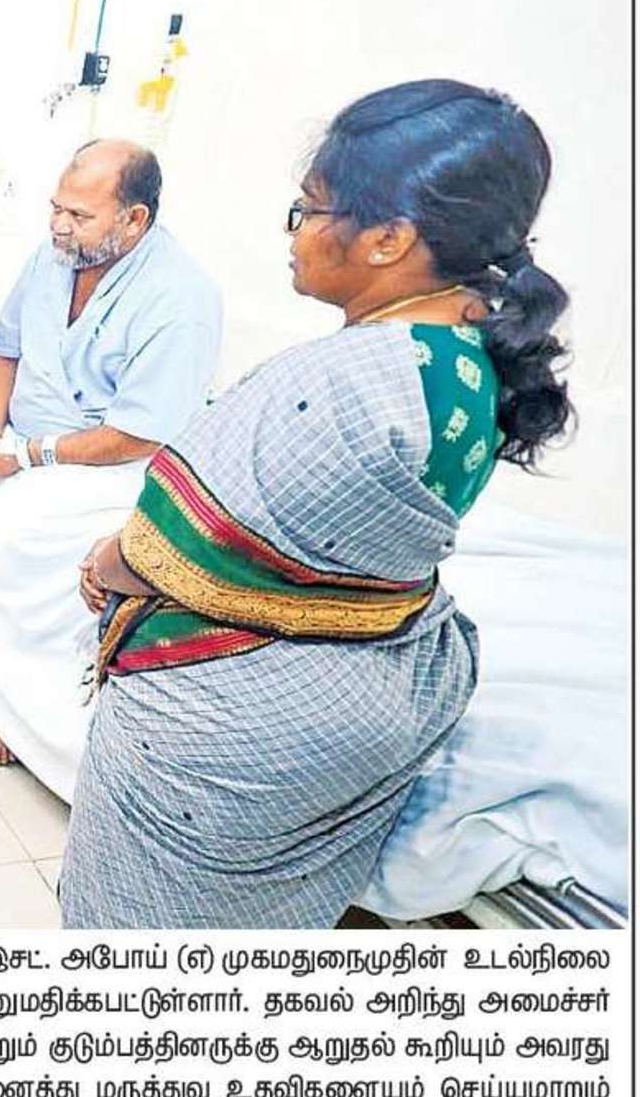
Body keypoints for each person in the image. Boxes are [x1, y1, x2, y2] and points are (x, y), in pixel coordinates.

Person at [62, 80, 573, 928]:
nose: (295, 232)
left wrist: (103, 562)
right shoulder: (473, 353)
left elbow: (168, 543)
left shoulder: (333, 385)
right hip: (366, 706)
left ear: (388, 239)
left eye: (308, 209)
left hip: (233, 730)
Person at [0, 140, 222, 774]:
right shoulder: (54, 257)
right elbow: (5, 352)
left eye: (78, 215)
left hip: (114, 465)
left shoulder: (182, 298)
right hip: (25, 442)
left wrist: (27, 456)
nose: (58, 226)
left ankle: (14, 702)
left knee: (19, 530)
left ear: (135, 219)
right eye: (56, 208)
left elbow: (139, 434)